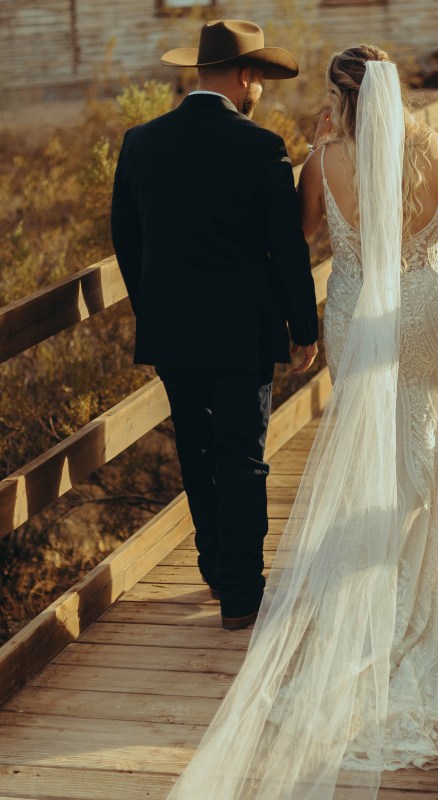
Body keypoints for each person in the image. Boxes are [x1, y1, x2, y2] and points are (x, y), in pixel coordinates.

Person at [165, 45, 438, 800]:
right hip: (425, 309)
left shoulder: (325, 158)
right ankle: (425, 584)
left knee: (368, 448)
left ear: (341, 99)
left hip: (358, 316)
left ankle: (372, 605)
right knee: (424, 434)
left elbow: (305, 234)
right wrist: (432, 213)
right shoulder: (435, 147)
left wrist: (341, 189)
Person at [110, 20, 319, 632]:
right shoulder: (261, 147)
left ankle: (214, 566)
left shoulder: (140, 142)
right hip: (242, 331)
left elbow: (126, 240)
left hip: (171, 329)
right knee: (243, 457)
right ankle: (240, 593)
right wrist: (303, 327)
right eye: (260, 78)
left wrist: (152, 309)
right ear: (246, 76)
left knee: (197, 451)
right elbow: (286, 251)